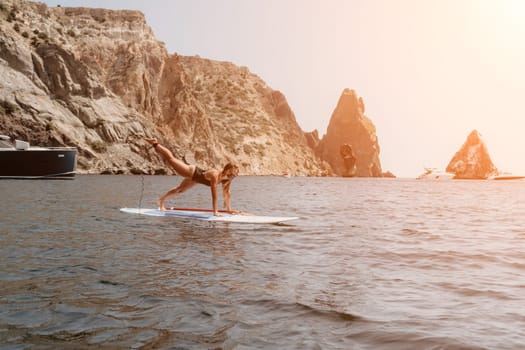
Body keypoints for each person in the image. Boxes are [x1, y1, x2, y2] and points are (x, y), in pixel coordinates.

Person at [145, 137, 239, 216]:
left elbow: (227, 194)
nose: (236, 174)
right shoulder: (215, 175)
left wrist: (229, 210)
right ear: (228, 170)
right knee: (171, 159)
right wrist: (215, 212)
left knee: (180, 190)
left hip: (196, 180)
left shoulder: (226, 179)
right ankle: (156, 143)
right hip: (192, 172)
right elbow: (214, 195)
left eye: (236, 173)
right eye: (234, 172)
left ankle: (161, 200)